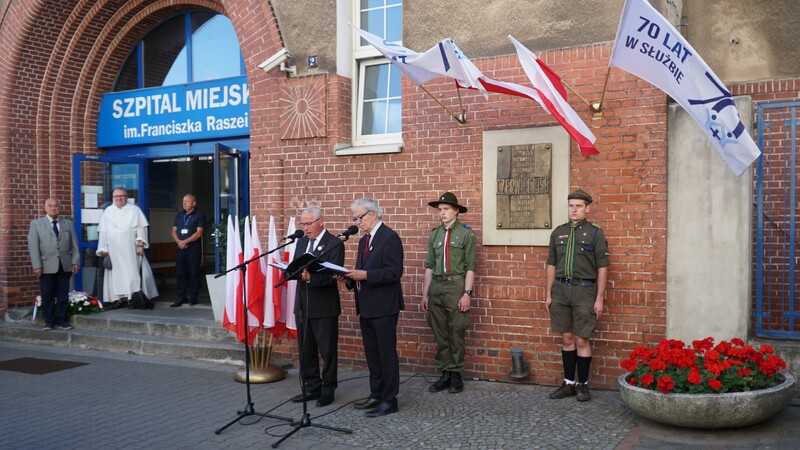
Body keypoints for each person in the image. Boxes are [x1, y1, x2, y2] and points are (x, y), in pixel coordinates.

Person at [545, 189, 609, 402]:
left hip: (584, 291)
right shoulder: (558, 232)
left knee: (582, 339)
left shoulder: (595, 233)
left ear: (587, 209)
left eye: (578, 206)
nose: (574, 210)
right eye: (571, 205)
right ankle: (568, 384)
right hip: (561, 290)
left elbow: (602, 267)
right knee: (567, 338)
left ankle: (583, 384)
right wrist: (548, 293)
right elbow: (551, 264)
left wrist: (599, 298)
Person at [342, 198, 404, 418]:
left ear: (374, 214)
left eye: (359, 217)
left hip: (384, 306)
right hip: (366, 305)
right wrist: (348, 278)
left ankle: (389, 399)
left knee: (386, 354)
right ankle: (376, 393)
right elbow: (361, 271)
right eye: (355, 219)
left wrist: (366, 275)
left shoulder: (390, 237)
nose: (357, 222)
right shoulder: (363, 241)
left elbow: (394, 272)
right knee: (372, 354)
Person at [421, 192, 477, 394]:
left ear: (456, 211)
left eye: (446, 209)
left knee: (456, 330)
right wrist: (425, 294)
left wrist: (467, 293)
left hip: (456, 286)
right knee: (440, 332)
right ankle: (445, 372)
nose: (442, 213)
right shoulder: (435, 234)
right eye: (440, 210)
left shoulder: (467, 234)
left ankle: (455, 374)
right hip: (436, 286)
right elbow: (430, 265)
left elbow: (471, 267)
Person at [289, 206, 345, 407]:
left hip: (324, 305)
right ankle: (311, 387)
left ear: (321, 221)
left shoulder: (334, 243)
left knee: (327, 351)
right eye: (303, 224)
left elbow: (334, 275)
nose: (305, 228)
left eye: (309, 223)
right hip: (303, 304)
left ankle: (328, 389)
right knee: (306, 350)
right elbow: (296, 267)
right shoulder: (302, 242)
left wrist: (311, 278)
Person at [96, 188, 158, 307]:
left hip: (130, 249)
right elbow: (103, 231)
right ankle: (119, 299)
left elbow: (141, 228)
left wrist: (140, 245)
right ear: (113, 198)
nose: (119, 198)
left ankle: (132, 299)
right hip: (113, 250)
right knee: (116, 275)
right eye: (116, 196)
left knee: (131, 273)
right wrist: (102, 248)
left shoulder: (134, 210)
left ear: (126, 197)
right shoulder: (108, 211)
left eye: (122, 196)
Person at [27, 198, 80, 330]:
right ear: (45, 208)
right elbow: (33, 247)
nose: (53, 208)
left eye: (56, 206)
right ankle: (49, 321)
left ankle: (61, 320)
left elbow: (74, 245)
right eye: (50, 206)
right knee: (48, 294)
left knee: (63, 294)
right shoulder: (36, 224)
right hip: (46, 265)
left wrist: (75, 261)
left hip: (64, 264)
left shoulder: (67, 223)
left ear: (59, 208)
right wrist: (37, 266)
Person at [170, 194, 206, 307]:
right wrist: (179, 242)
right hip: (180, 248)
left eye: (187, 201)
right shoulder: (179, 215)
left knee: (193, 272)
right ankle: (181, 297)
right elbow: (174, 231)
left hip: (193, 248)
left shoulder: (199, 215)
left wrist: (185, 242)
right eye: (183, 201)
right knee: (180, 273)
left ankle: (193, 297)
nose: (184, 203)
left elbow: (199, 233)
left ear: (194, 203)